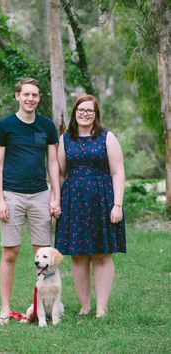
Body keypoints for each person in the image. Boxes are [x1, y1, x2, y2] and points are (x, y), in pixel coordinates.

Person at [0, 77, 61, 324]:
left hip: (41, 195)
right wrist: (0, 199)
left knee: (43, 256)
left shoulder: (47, 126)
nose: (31, 99)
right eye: (26, 94)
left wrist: (56, 196)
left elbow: (53, 163)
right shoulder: (5, 126)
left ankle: (40, 310)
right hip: (12, 194)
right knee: (10, 252)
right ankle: (5, 309)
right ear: (17, 96)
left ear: (39, 98)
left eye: (35, 95)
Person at [55, 94, 126, 318]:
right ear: (75, 113)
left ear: (96, 115)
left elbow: (118, 172)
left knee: (102, 253)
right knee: (78, 255)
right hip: (73, 202)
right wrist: (55, 200)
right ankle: (85, 306)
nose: (85, 114)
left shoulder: (107, 137)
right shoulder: (65, 139)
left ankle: (101, 309)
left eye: (89, 111)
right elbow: (60, 173)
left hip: (103, 201)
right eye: (81, 110)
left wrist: (117, 204)